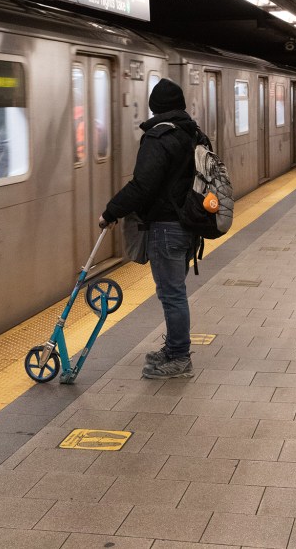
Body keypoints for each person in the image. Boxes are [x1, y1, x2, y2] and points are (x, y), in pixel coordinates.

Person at [98, 78, 204, 379]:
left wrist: (111, 211)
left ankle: (180, 358)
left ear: (154, 107)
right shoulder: (191, 133)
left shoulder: (159, 137)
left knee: (172, 294)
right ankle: (173, 349)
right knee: (174, 292)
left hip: (166, 226)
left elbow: (143, 185)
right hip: (187, 225)